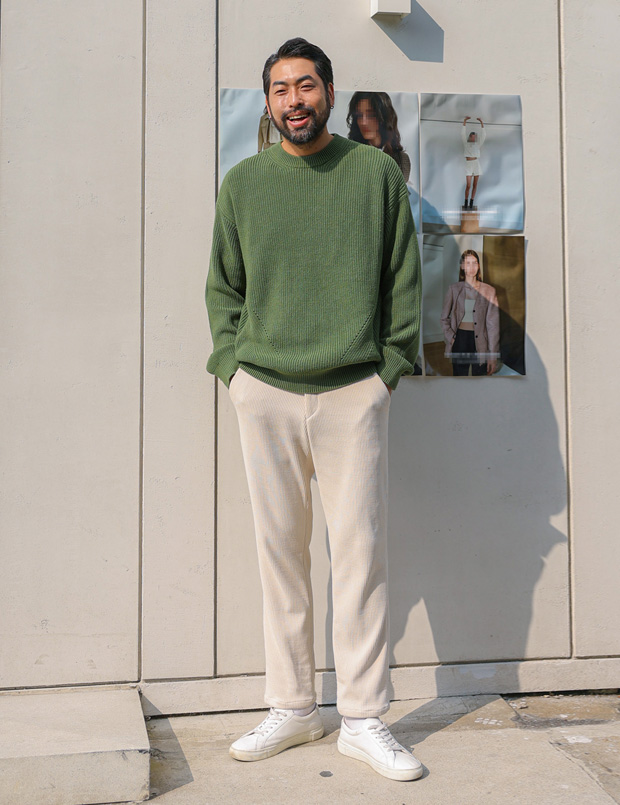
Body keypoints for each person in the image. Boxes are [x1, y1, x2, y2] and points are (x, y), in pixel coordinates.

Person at [206, 37, 422, 782]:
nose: (293, 100)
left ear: (329, 91)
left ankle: (362, 717)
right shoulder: (244, 183)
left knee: (360, 554)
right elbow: (223, 285)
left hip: (354, 389)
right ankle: (295, 706)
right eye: (279, 89)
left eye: (305, 85)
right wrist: (234, 369)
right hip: (263, 388)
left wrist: (387, 371)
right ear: (267, 102)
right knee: (280, 552)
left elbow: (403, 276)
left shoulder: (374, 174)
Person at [440, 249, 499, 376]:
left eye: (475, 263)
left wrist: (493, 355)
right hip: (459, 340)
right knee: (459, 377)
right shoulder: (453, 289)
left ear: (479, 266)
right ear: (462, 266)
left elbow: (493, 327)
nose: (471, 267)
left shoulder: (489, 291)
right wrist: (452, 338)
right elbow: (444, 318)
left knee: (480, 377)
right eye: (467, 263)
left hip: (481, 342)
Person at [347, 91, 411, 182]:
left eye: (371, 115)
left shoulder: (401, 160)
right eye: (359, 115)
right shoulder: (350, 156)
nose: (363, 122)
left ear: (384, 117)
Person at [461, 116, 486, 209]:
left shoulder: (477, 144)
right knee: (468, 185)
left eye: (475, 137)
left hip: (476, 164)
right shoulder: (466, 143)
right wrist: (465, 121)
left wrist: (481, 122)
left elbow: (483, 135)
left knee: (475, 184)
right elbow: (462, 133)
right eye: (473, 137)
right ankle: (466, 201)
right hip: (469, 164)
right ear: (470, 137)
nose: (474, 139)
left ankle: (471, 201)